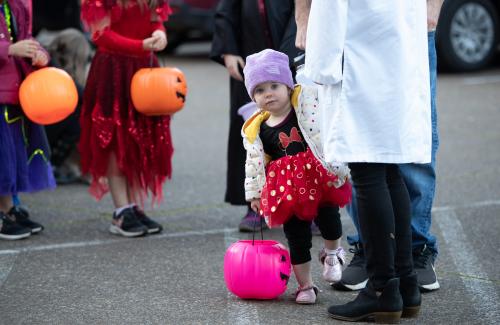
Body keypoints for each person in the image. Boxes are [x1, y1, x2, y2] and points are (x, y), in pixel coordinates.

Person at [297, 0, 431, 322]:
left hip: (360, 63)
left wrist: (317, 71)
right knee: (388, 171)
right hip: (394, 58)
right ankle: (404, 281)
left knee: (369, 173)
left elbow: (330, 10)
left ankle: (383, 289)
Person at [242, 49, 352, 304]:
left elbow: (324, 96)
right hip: (286, 190)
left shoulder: (304, 104)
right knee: (296, 236)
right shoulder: (255, 128)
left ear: (289, 86)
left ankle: (333, 253)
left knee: (329, 218)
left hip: (317, 177)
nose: (268, 93)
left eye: (274, 85)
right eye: (259, 90)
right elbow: (254, 164)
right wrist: (256, 193)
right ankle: (306, 286)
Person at [79, 0, 172, 237]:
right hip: (113, 71)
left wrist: (159, 34)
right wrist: (141, 45)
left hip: (144, 71)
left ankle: (133, 207)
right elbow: (101, 36)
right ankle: (121, 211)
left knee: (139, 141)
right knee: (113, 139)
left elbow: (156, 20)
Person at [210, 0, 300, 232]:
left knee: (296, 136)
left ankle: (305, 205)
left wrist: (289, 56)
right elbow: (226, 10)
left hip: (291, 60)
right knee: (253, 137)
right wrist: (228, 50)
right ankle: (257, 205)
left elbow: (303, 11)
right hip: (250, 67)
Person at [0, 0, 54, 240]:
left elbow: (27, 39)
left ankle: (8, 208)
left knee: (10, 155)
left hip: (16, 91)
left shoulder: (16, 6)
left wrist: (39, 55)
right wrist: (9, 49)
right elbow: (12, 46)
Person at [45, 28, 92, 184]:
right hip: (44, 135)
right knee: (81, 116)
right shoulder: (65, 79)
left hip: (36, 131)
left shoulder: (43, 61)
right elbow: (87, 99)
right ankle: (54, 164)